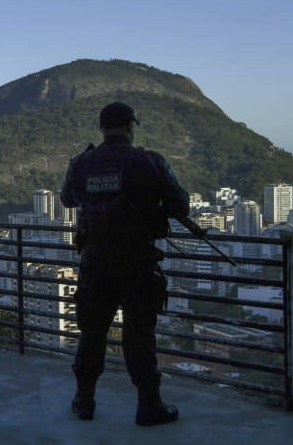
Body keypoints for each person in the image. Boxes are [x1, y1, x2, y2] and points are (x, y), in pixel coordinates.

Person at [59, 102, 189, 426]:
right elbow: (180, 204)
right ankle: (149, 405)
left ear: (102, 128)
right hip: (136, 261)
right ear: (131, 126)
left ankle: (84, 400)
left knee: (92, 332)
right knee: (139, 333)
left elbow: (67, 199)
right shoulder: (149, 161)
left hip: (95, 261)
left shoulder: (82, 164)